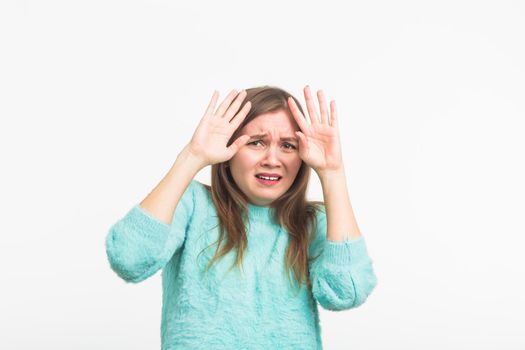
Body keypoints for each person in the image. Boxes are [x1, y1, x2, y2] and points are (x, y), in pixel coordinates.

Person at [105, 85, 378, 349]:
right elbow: (129, 259)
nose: (272, 159)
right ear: (230, 148)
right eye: (257, 142)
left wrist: (333, 173)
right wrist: (192, 156)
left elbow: (347, 292)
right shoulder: (192, 203)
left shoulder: (313, 222)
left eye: (288, 146)